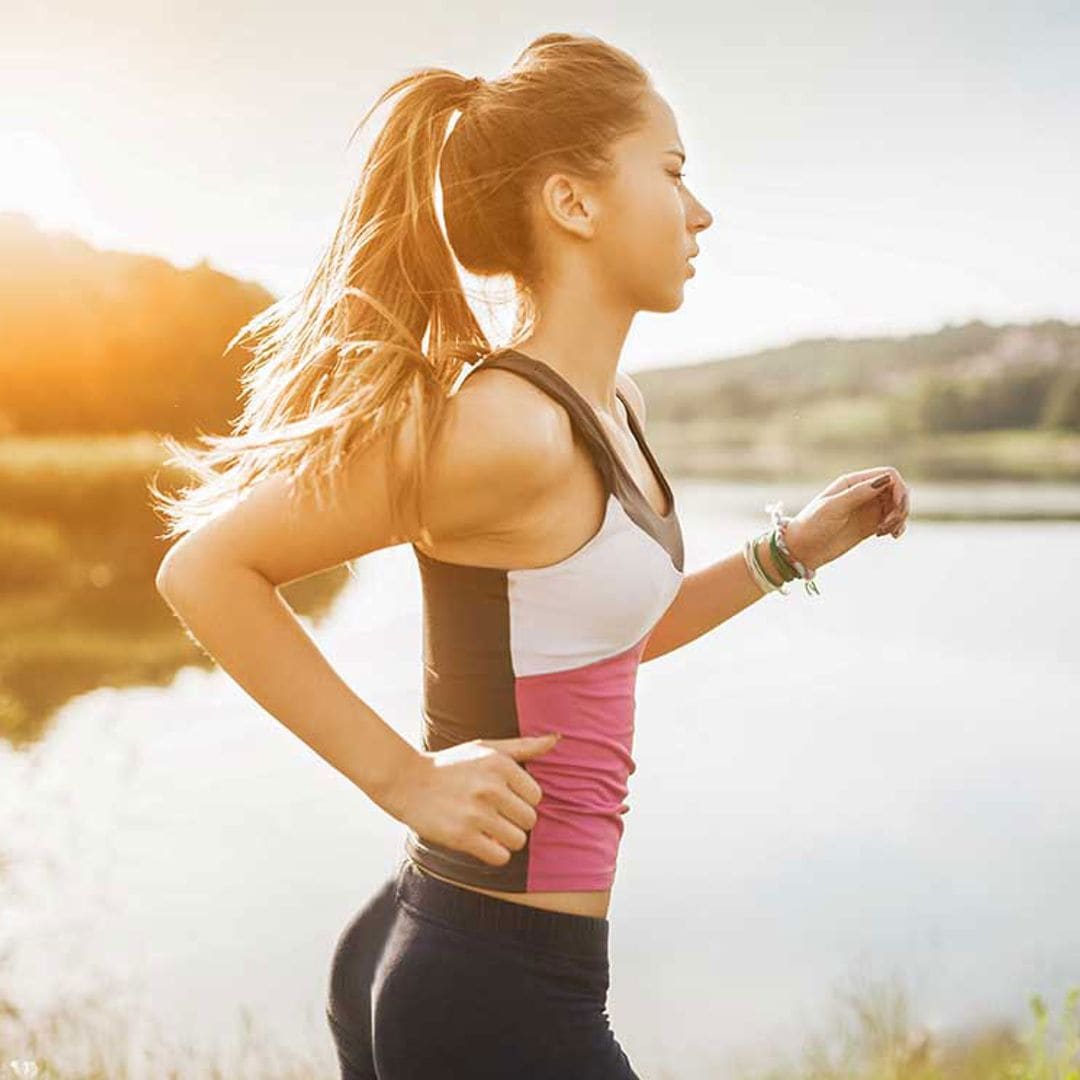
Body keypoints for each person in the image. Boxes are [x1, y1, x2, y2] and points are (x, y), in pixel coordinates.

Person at [151, 31, 910, 1080]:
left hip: (492, 961)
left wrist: (788, 554)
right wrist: (403, 779)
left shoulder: (609, 411)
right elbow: (206, 568)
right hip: (487, 984)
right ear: (574, 203)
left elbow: (597, 647)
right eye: (675, 171)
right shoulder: (502, 427)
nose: (700, 211)